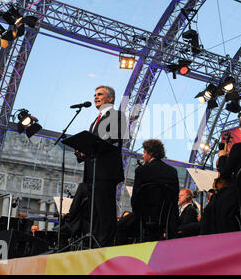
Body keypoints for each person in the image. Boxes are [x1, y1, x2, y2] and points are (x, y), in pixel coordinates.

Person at [74, 85, 128, 247]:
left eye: (100, 94)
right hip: (92, 172)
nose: (95, 97)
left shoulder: (118, 116)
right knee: (94, 211)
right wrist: (81, 150)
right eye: (95, 94)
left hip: (106, 172)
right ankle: (94, 242)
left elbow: (113, 140)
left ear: (110, 99)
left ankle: (104, 244)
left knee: (105, 210)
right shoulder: (94, 122)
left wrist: (89, 147)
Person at [115, 139, 179, 245]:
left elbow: (134, 200)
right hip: (166, 219)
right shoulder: (172, 171)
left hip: (144, 218)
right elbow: (175, 198)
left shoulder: (141, 170)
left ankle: (121, 258)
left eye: (144, 153)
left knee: (121, 226)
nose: (143, 156)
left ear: (150, 153)